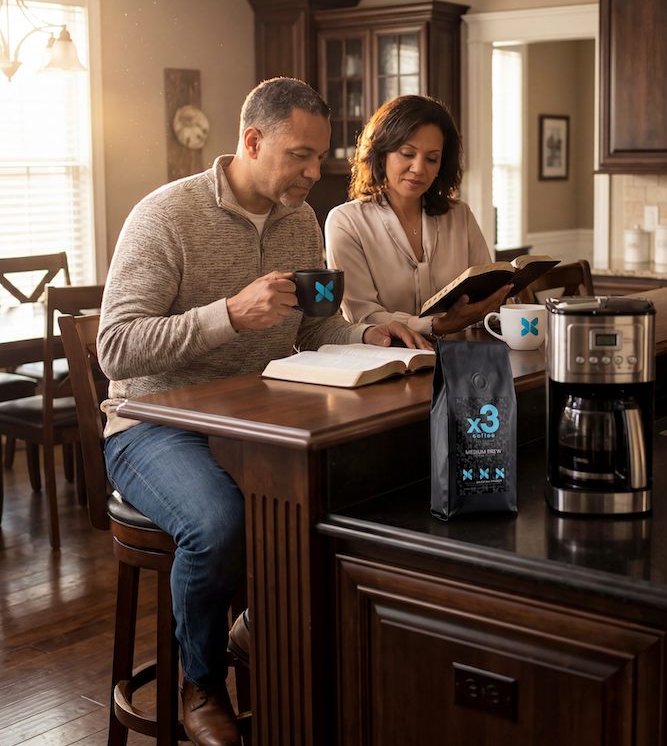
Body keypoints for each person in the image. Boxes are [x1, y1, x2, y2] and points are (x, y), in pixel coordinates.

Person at [97, 77, 428, 746]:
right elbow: (115, 348)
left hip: (260, 417)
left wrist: (371, 333)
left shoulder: (300, 219)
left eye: (320, 156)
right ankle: (202, 682)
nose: (315, 171)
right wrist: (228, 316)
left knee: (378, 485)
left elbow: (312, 329)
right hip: (153, 424)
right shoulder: (165, 216)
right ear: (251, 141)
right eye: (299, 156)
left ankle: (265, 637)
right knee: (220, 522)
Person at [325, 94, 509, 339]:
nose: (419, 168)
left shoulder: (460, 215)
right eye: (407, 153)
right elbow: (364, 315)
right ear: (381, 154)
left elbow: (485, 292)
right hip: (384, 362)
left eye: (432, 159)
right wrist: (436, 326)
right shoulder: (346, 222)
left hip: (461, 359)